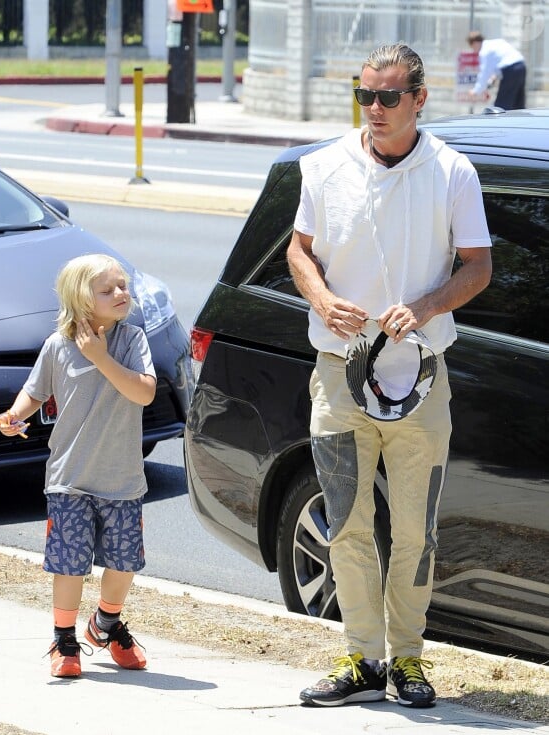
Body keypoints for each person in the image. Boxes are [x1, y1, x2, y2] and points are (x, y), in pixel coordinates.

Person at [287, 42, 492, 709]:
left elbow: (478, 265)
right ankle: (361, 658)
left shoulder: (452, 172)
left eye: (389, 97)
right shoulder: (323, 166)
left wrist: (428, 303)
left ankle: (407, 658)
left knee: (414, 530)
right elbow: (299, 249)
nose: (374, 109)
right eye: (364, 96)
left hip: (422, 379)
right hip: (339, 373)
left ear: (420, 99)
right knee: (345, 520)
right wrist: (321, 299)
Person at [0, 253, 157, 678]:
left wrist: (101, 357)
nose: (121, 293)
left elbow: (143, 394)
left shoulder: (132, 340)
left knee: (123, 564)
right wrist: (15, 415)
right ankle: (64, 639)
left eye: (123, 285)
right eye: (108, 289)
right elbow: (34, 391)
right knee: (68, 566)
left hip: (121, 479)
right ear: (81, 300)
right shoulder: (57, 346)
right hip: (69, 477)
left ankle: (105, 622)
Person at [467, 30, 526, 110]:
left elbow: (484, 73)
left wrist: (476, 91)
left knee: (501, 106)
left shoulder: (485, 51)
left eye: (472, 47)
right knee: (518, 103)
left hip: (510, 70)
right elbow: (502, 60)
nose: (474, 50)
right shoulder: (496, 42)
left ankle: (501, 122)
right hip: (521, 66)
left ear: (475, 43)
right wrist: (493, 78)